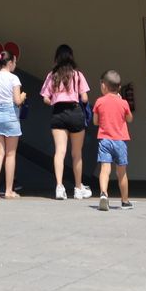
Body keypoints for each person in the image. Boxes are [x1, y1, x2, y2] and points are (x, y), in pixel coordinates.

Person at [39, 44, 92, 200]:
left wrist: (55, 100)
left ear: (57, 58)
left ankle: (59, 187)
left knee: (60, 152)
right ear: (71, 57)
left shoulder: (52, 75)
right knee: (76, 154)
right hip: (75, 113)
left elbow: (45, 99)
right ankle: (77, 188)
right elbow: (85, 98)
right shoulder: (77, 75)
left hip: (58, 114)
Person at [93, 70, 133, 211]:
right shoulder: (123, 103)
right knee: (121, 172)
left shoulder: (99, 102)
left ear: (103, 85)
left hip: (104, 140)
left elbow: (95, 122)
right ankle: (125, 201)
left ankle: (104, 194)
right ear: (119, 87)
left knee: (105, 169)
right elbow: (129, 119)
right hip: (120, 141)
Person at [0, 49, 24, 199]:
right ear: (9, 63)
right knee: (10, 154)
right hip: (10, 116)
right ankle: (9, 191)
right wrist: (23, 96)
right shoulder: (14, 79)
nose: (15, 65)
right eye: (15, 62)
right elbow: (17, 101)